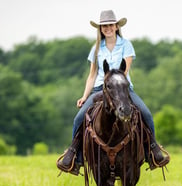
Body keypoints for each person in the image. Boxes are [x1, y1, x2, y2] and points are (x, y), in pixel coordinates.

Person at [57, 10, 169, 175]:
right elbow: (92, 75)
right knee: (78, 118)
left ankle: (152, 151)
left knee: (146, 113)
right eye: (104, 26)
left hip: (122, 88)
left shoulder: (126, 45)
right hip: (99, 89)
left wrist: (116, 87)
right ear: (101, 29)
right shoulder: (96, 48)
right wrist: (84, 96)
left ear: (116, 26)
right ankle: (75, 156)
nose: (108, 28)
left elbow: (124, 70)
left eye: (110, 25)